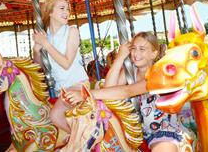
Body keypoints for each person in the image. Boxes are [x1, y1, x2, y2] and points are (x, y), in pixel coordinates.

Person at [64, 32, 195, 152]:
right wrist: (120, 57)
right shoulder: (130, 71)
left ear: (154, 54)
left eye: (142, 49)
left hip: (162, 130)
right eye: (133, 48)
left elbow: (127, 91)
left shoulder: (158, 74)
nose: (136, 53)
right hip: (135, 131)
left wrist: (86, 94)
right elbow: (109, 88)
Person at [32, 0, 89, 133]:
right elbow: (38, 66)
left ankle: (85, 141)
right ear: (50, 12)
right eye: (62, 8)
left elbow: (66, 63)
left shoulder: (72, 31)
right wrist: (37, 51)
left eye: (68, 9)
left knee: (55, 116)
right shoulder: (47, 36)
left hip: (77, 85)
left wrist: (45, 44)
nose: (67, 12)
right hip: (60, 89)